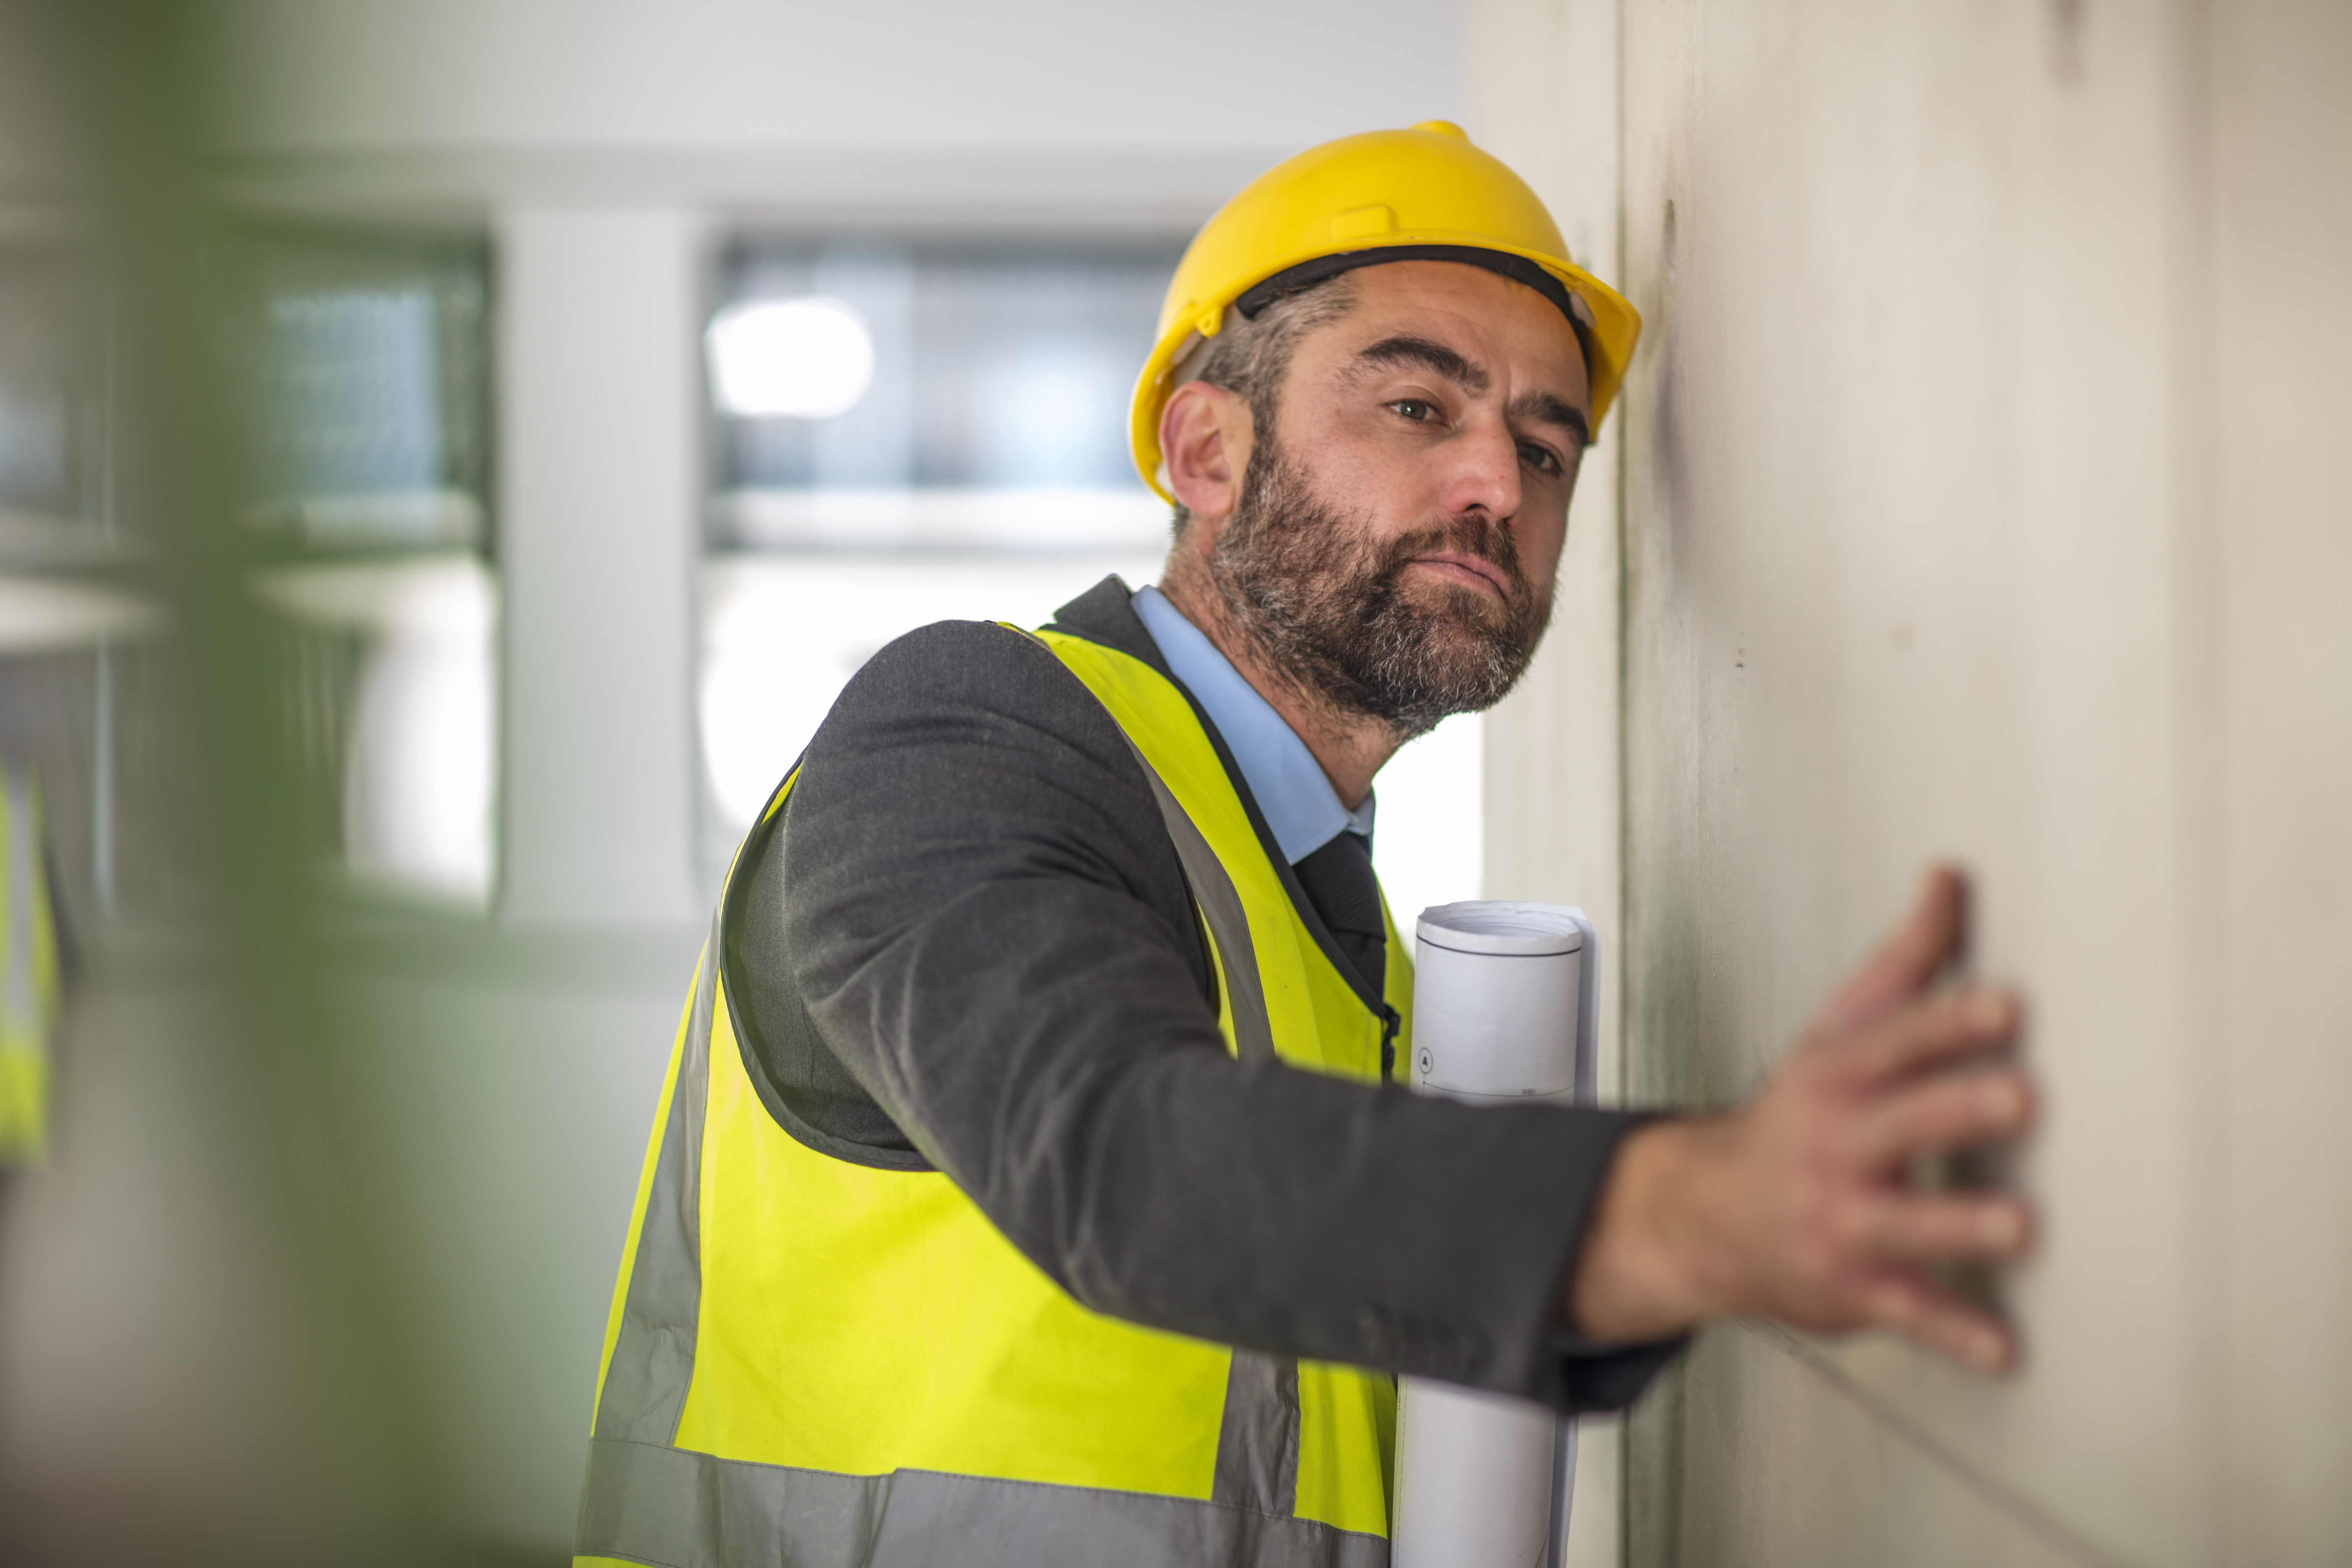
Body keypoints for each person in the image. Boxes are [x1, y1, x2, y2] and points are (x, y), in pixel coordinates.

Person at [573, 123, 2035, 1568]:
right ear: (1206, 448)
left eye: (1545, 447)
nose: (1497, 491)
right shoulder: (962, 734)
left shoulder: (1346, 954)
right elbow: (1113, 1152)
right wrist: (1694, 1209)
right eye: (1417, 407)